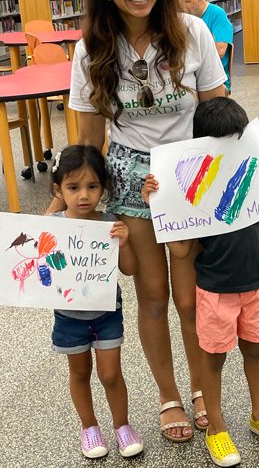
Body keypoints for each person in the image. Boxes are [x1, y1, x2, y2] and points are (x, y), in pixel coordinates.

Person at [57, 0, 228, 443]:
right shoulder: (91, 51)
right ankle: (169, 395)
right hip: (132, 179)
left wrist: (245, 177)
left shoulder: (193, 32)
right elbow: (88, 139)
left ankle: (202, 389)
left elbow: (218, 113)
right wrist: (72, 205)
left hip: (191, 176)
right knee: (151, 296)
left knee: (193, 296)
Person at [142, 97, 259, 467]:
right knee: (213, 360)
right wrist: (156, 204)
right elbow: (179, 251)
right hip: (214, 291)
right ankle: (217, 428)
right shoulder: (197, 190)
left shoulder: (252, 175)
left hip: (255, 284)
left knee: (254, 350)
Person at [50, 145, 143, 459]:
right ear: (58, 189)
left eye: (92, 186)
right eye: (73, 188)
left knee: (111, 374)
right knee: (79, 373)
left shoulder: (109, 223)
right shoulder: (53, 225)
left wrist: (125, 242)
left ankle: (122, 426)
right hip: (67, 315)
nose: (84, 195)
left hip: (106, 312)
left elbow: (129, 269)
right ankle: (89, 427)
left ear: (103, 188)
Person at [177, 0, 233, 94]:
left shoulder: (217, 14)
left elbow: (220, 51)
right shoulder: (182, 18)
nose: (181, 8)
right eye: (179, 3)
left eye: (186, 2)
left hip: (215, 79)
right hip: (187, 75)